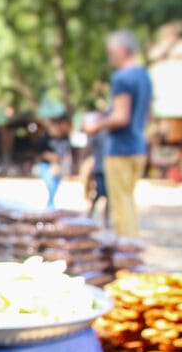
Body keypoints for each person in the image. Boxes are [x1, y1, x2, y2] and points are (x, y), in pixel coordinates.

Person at [84, 30, 152, 238]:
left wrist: (95, 126)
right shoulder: (143, 75)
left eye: (111, 52)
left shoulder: (122, 77)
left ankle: (128, 255)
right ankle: (132, 251)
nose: (110, 57)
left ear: (122, 51)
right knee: (128, 201)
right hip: (139, 147)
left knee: (120, 206)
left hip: (121, 148)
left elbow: (121, 117)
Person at [37, 117, 72, 209]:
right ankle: (49, 206)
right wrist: (51, 157)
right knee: (50, 185)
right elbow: (40, 152)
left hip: (59, 166)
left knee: (55, 186)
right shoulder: (45, 138)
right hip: (47, 165)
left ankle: (50, 205)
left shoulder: (65, 138)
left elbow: (67, 152)